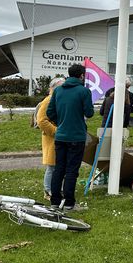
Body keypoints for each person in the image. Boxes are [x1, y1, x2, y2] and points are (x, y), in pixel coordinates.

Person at [46, 64, 94, 210]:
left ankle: (55, 201)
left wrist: (61, 121)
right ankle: (69, 203)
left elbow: (50, 113)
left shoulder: (58, 90)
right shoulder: (84, 91)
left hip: (60, 136)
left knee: (59, 168)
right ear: (81, 76)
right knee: (71, 171)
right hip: (76, 136)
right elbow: (89, 113)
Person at [36, 77, 65, 200]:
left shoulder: (59, 98)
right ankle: (48, 190)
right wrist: (56, 131)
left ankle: (57, 189)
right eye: (61, 86)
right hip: (52, 137)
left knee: (59, 165)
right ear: (53, 88)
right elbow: (41, 120)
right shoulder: (49, 100)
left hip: (60, 137)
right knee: (52, 166)